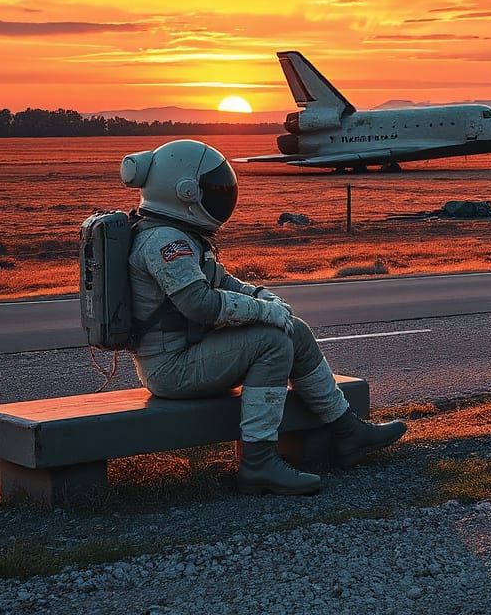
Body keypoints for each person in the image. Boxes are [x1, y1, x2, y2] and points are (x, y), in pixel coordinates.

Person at [120, 138, 407, 496]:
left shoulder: (175, 233)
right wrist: (263, 311)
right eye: (212, 188)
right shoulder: (165, 241)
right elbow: (200, 304)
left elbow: (219, 281)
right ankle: (258, 464)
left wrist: (261, 296)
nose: (221, 194)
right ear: (187, 192)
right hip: (171, 369)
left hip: (184, 354)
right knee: (271, 342)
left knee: (295, 331)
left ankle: (348, 431)